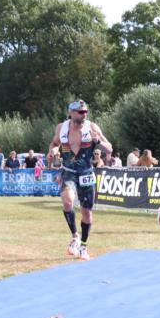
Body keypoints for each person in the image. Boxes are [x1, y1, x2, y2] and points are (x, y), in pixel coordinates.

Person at [48, 99, 112, 261]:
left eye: (86, 112)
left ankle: (83, 246)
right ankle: (75, 236)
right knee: (67, 202)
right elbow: (54, 143)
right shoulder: (61, 127)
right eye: (80, 112)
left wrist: (98, 141)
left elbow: (109, 148)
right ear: (71, 112)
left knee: (86, 212)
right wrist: (53, 151)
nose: (84, 115)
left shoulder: (92, 127)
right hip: (68, 172)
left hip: (86, 173)